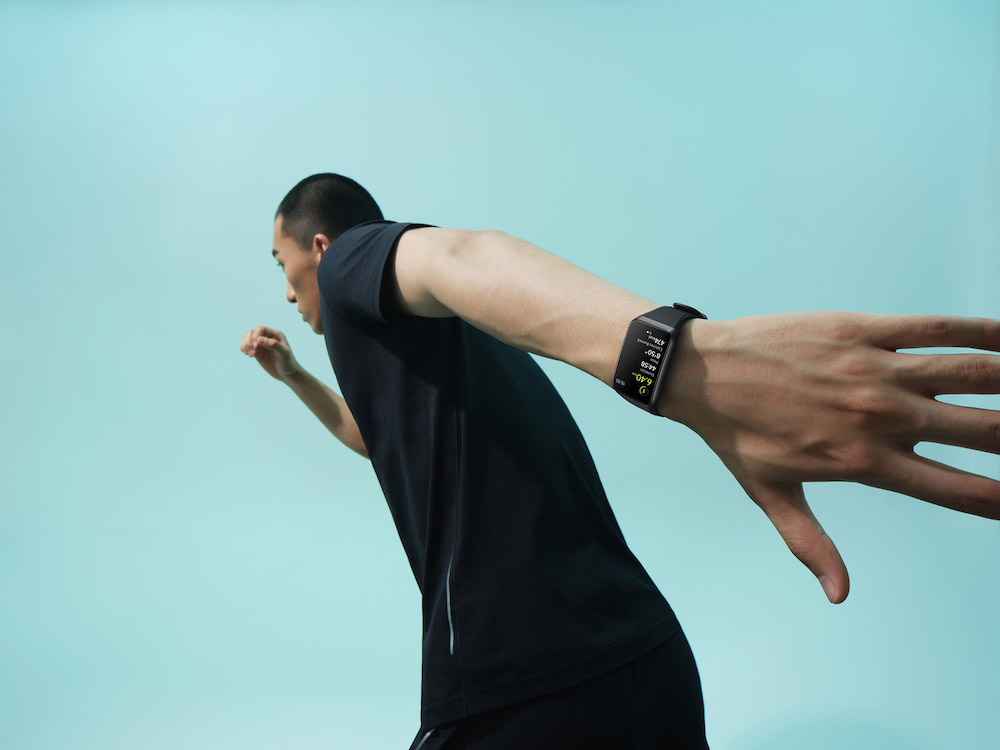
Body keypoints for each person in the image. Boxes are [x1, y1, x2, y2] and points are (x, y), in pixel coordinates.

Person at [240, 173, 1000, 749]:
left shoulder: (349, 263)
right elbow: (377, 439)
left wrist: (682, 362)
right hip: (646, 660)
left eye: (282, 263)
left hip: (522, 682)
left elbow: (459, 254)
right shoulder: (447, 349)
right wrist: (296, 377)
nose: (288, 293)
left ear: (320, 247)